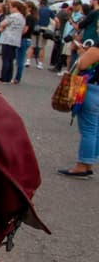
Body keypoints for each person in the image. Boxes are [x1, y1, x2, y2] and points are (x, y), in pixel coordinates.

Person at [58, 41, 99, 179]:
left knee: (88, 129)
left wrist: (82, 53)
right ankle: (88, 163)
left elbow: (82, 64)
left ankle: (82, 165)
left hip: (93, 89)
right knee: (95, 129)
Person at [0, 0, 26, 84]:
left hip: (7, 39)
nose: (10, 9)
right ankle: (8, 78)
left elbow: (2, 23)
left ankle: (3, 78)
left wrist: (2, 27)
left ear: (16, 8)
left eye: (11, 7)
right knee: (11, 59)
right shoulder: (22, 17)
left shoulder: (13, 16)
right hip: (16, 40)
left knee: (5, 59)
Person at [31, 0, 54, 69]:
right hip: (44, 29)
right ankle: (40, 64)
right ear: (46, 4)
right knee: (42, 47)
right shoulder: (49, 11)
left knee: (32, 46)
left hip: (35, 28)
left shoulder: (37, 10)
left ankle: (28, 61)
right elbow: (56, 20)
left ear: (40, 3)